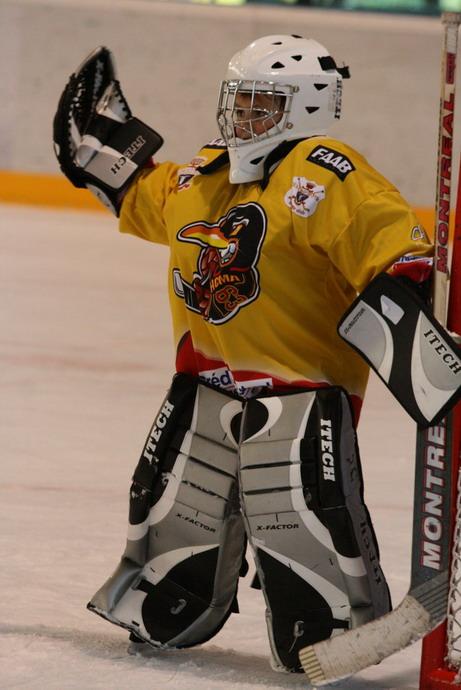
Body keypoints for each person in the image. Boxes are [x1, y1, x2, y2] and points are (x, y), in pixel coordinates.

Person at [53, 35, 439, 674]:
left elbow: (395, 249)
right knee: (168, 512)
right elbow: (150, 197)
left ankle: (328, 632)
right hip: (203, 386)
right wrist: (99, 154)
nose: (242, 117)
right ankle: (173, 608)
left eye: (261, 104)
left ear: (306, 106)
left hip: (299, 397)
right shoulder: (211, 174)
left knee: (304, 536)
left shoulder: (327, 173)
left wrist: (415, 301)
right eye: (239, 101)